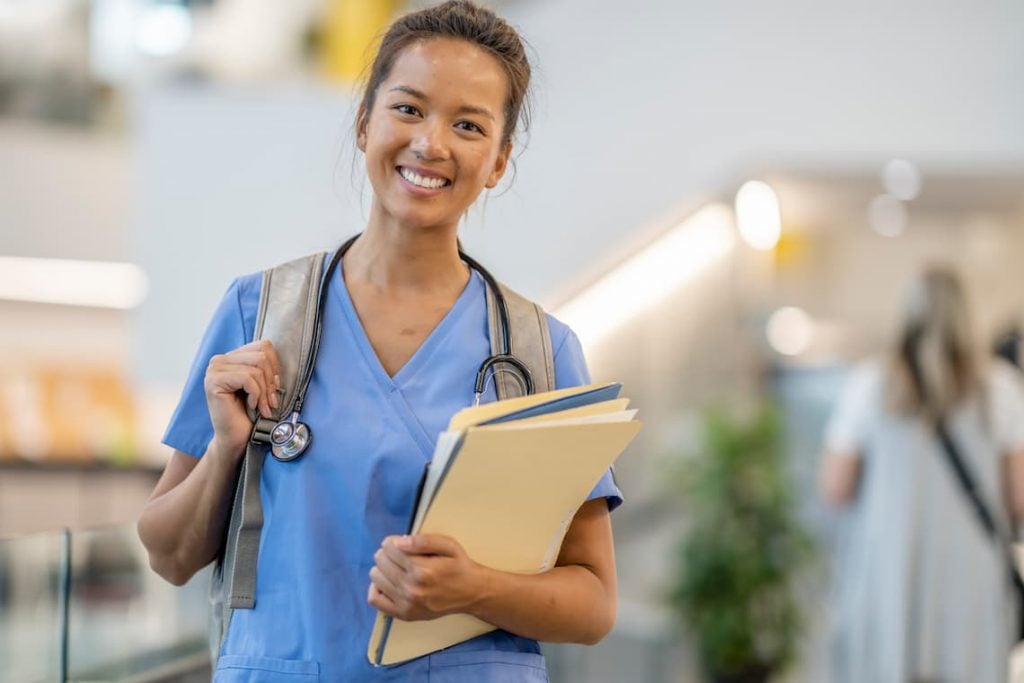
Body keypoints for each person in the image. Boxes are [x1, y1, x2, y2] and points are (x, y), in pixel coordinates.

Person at [135, 2, 622, 680]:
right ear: (365, 123)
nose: (432, 144)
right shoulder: (261, 312)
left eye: (469, 125)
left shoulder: (540, 349)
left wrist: (475, 587)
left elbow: (595, 602)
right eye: (409, 109)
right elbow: (168, 553)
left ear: (499, 160)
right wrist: (226, 448)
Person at [819, 266, 1024, 683]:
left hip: (890, 571)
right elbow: (1019, 496)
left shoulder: (869, 385)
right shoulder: (1000, 387)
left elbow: (835, 488)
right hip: (971, 577)